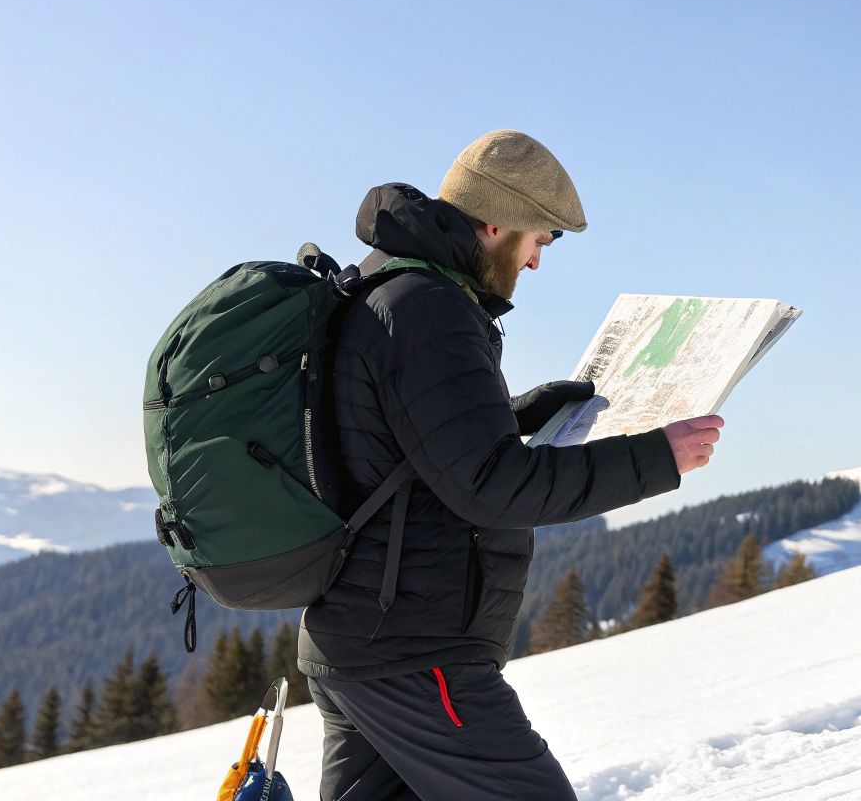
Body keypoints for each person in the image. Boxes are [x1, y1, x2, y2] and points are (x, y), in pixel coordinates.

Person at [298, 129, 723, 799]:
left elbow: (408, 441)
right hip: (414, 652)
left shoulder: (394, 287)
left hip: (366, 644)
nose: (535, 263)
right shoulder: (429, 309)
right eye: (538, 240)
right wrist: (656, 457)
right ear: (495, 224)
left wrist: (517, 413)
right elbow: (493, 487)